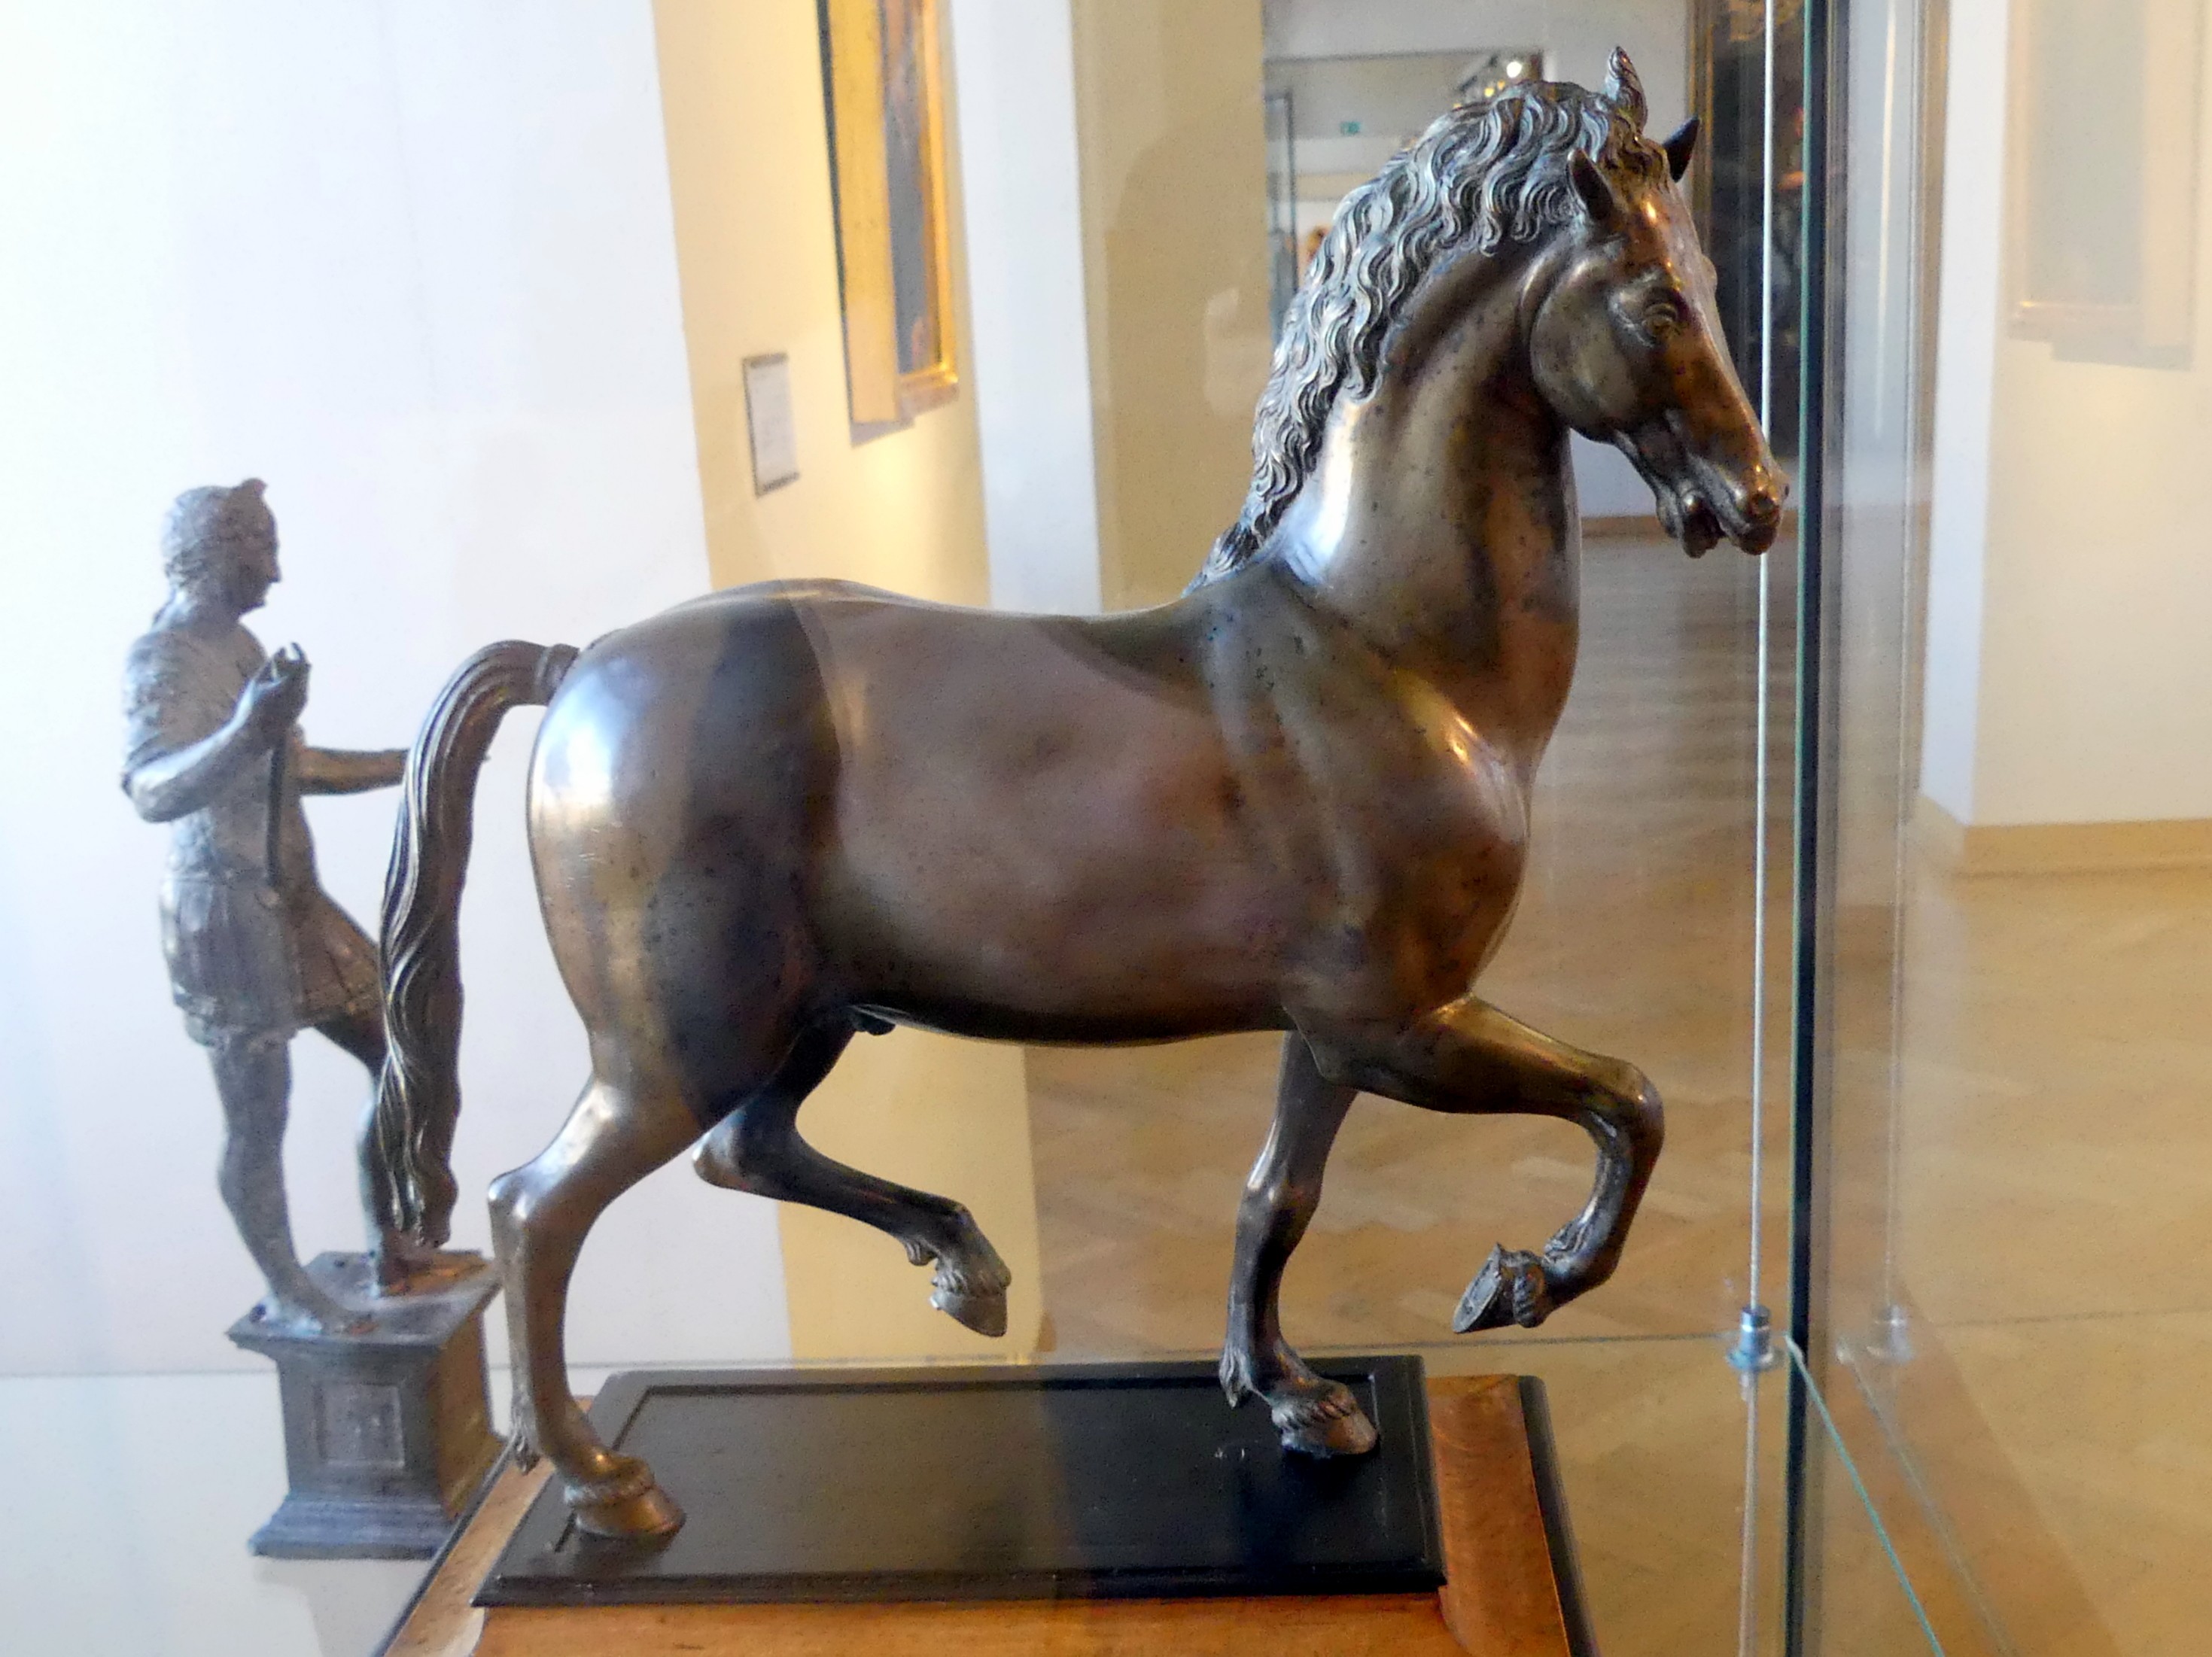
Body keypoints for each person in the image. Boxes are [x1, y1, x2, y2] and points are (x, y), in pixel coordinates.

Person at [122, 479, 450, 1333]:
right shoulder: (165, 658)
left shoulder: (238, 642)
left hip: (295, 906)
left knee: (401, 1047)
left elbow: (289, 767)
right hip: (225, 916)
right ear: (212, 555)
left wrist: (412, 760)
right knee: (258, 1119)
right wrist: (249, 730)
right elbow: (152, 789)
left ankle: (391, 1243)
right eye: (261, 549)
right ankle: (287, 1286)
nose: (274, 571)